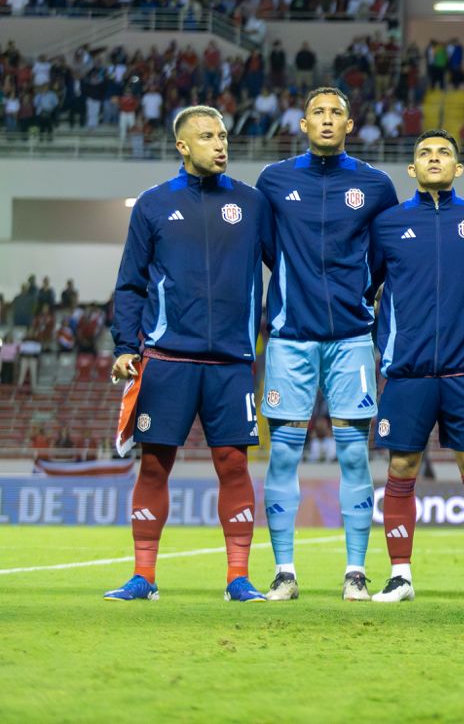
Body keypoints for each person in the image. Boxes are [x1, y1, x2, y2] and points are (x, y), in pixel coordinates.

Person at [105, 105, 274, 603]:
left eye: (223, 135)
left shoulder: (252, 203)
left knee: (234, 466)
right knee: (154, 465)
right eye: (207, 137)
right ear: (182, 146)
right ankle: (144, 577)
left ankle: (238, 578)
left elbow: (287, 265)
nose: (220, 144)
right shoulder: (154, 205)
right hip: (167, 360)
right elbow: (131, 284)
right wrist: (123, 346)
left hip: (231, 363)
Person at [255, 86, 399, 602]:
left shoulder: (376, 185)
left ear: (350, 125)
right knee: (283, 458)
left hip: (353, 339)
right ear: (302, 123)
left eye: (337, 112)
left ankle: (355, 572)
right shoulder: (274, 181)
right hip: (291, 337)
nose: (327, 119)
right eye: (318, 111)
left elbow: (385, 255)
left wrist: (355, 294)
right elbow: (268, 248)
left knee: (355, 457)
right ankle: (284, 572)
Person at [367, 130, 464, 604]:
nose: (434, 158)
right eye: (424, 152)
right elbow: (366, 288)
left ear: (458, 168)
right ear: (411, 168)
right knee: (402, 466)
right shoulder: (387, 224)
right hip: (406, 372)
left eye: (443, 152)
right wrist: (385, 345)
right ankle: (399, 576)